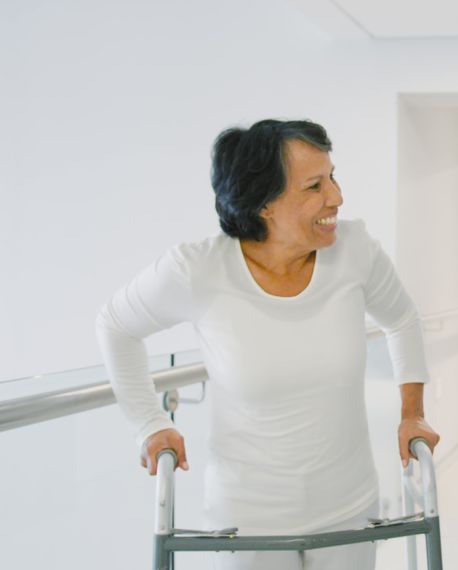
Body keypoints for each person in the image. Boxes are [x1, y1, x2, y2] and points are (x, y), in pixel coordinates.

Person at [96, 119, 439, 570]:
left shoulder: (354, 250)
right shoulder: (198, 270)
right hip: (248, 521)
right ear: (264, 205)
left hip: (349, 510)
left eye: (333, 177)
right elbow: (116, 325)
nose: (336, 196)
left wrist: (412, 413)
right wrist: (149, 421)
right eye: (314, 186)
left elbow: (402, 319)